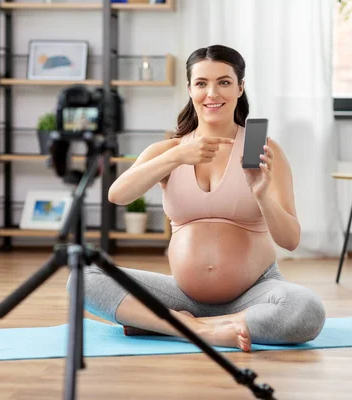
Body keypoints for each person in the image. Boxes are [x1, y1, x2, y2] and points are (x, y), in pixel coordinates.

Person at [75, 44, 326, 352]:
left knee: (306, 310)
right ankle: (198, 328)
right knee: (83, 278)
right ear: (190, 88)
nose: (212, 93)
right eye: (202, 83)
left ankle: (173, 325)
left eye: (224, 82)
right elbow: (118, 195)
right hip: (180, 295)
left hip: (254, 294)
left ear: (240, 87)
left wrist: (261, 194)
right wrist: (177, 156)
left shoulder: (264, 150)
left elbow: (290, 240)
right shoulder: (168, 151)